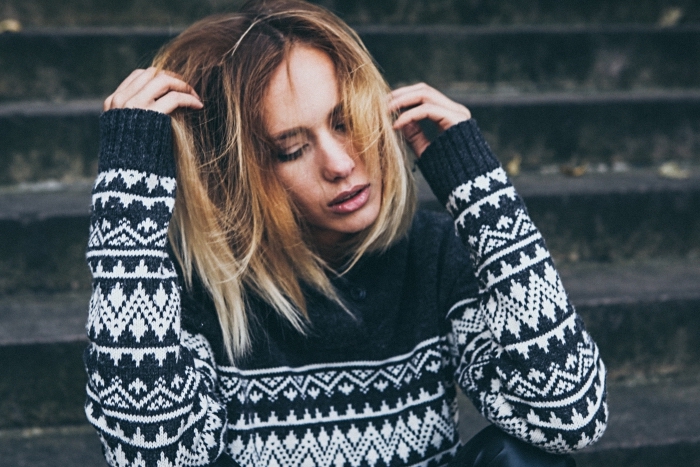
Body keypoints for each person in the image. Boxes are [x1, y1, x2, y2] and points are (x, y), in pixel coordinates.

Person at [84, 1, 607, 465]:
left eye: (344, 121)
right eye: (291, 149)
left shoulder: (432, 253)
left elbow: (569, 416)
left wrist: (482, 195)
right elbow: (150, 457)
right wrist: (126, 214)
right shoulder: (189, 288)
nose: (340, 164)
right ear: (234, 180)